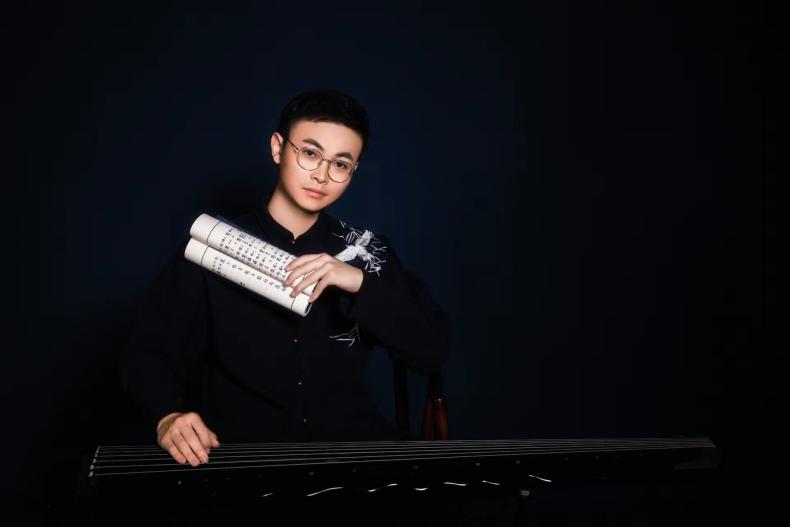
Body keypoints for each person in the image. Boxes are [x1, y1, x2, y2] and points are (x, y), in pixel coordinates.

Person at [119, 89, 451, 467]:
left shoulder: (367, 252)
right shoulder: (212, 244)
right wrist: (167, 416)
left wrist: (358, 284)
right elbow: (147, 351)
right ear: (278, 148)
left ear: (353, 170)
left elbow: (431, 350)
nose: (322, 175)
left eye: (341, 164)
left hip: (351, 457)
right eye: (309, 153)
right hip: (246, 463)